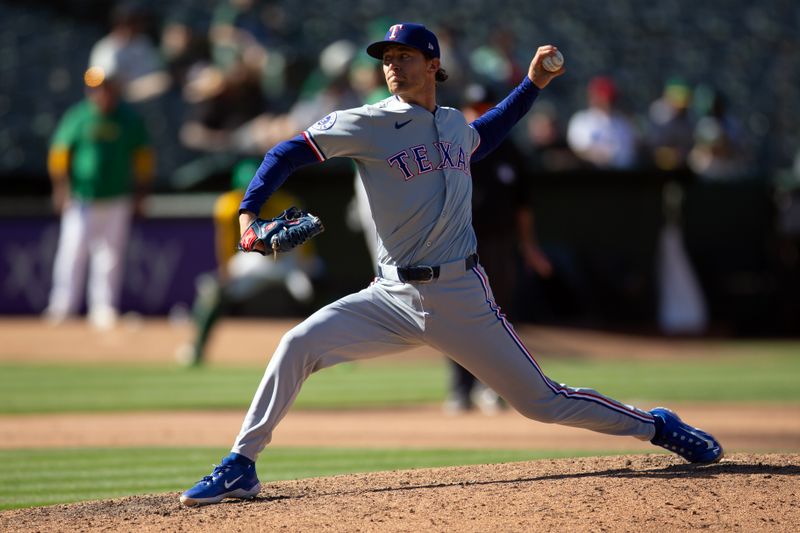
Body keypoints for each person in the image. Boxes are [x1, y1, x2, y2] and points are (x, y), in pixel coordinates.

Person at [180, 23, 723, 507]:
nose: (392, 64)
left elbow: (487, 134)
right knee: (296, 345)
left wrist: (532, 85)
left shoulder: (452, 124)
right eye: (386, 57)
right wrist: (250, 211)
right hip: (389, 296)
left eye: (404, 55)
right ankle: (241, 464)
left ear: (433, 65)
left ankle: (655, 425)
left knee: (543, 403)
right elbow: (286, 153)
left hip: (462, 293)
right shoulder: (367, 122)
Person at [445, 83, 553, 415]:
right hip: (460, 245)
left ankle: (493, 387)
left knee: (500, 317)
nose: (479, 112)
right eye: (474, 106)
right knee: (457, 316)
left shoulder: (510, 151)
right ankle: (461, 389)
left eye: (486, 106)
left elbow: (524, 205)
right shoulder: (452, 147)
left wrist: (529, 246)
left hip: (501, 245)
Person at [176, 159, 322, 366]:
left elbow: (306, 254)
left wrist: (308, 271)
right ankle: (196, 349)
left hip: (287, 263)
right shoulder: (228, 206)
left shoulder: (286, 203)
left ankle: (336, 350)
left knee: (316, 288)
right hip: (250, 261)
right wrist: (225, 274)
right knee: (214, 289)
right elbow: (226, 247)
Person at [43, 65, 154, 330]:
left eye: (103, 87)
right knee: (72, 252)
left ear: (112, 89)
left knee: (110, 256)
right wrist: (61, 189)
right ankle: (62, 306)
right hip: (82, 198)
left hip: (117, 197)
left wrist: (141, 193)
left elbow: (143, 158)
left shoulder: (127, 118)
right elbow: (59, 154)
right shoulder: (79, 117)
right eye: (94, 88)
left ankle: (103, 308)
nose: (100, 93)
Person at [566, 76, 639, 169]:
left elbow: (628, 155)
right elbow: (579, 149)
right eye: (603, 98)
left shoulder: (622, 123)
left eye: (610, 99)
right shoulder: (581, 120)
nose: (607, 102)